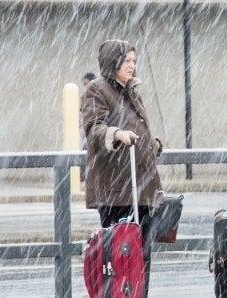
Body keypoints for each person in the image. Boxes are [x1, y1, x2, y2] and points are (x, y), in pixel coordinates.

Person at [81, 39, 164, 297]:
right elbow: (94, 129)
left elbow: (137, 130)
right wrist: (116, 134)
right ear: (112, 62)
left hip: (142, 189)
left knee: (141, 257)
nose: (132, 65)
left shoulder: (131, 90)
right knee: (119, 259)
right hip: (116, 191)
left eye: (133, 61)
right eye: (127, 60)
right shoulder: (98, 89)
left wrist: (152, 145)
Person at [79, 72, 96, 181]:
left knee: (86, 149)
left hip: (92, 127)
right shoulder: (86, 95)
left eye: (85, 82)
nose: (85, 85)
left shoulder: (96, 93)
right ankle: (84, 174)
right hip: (87, 127)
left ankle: (84, 175)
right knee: (85, 150)